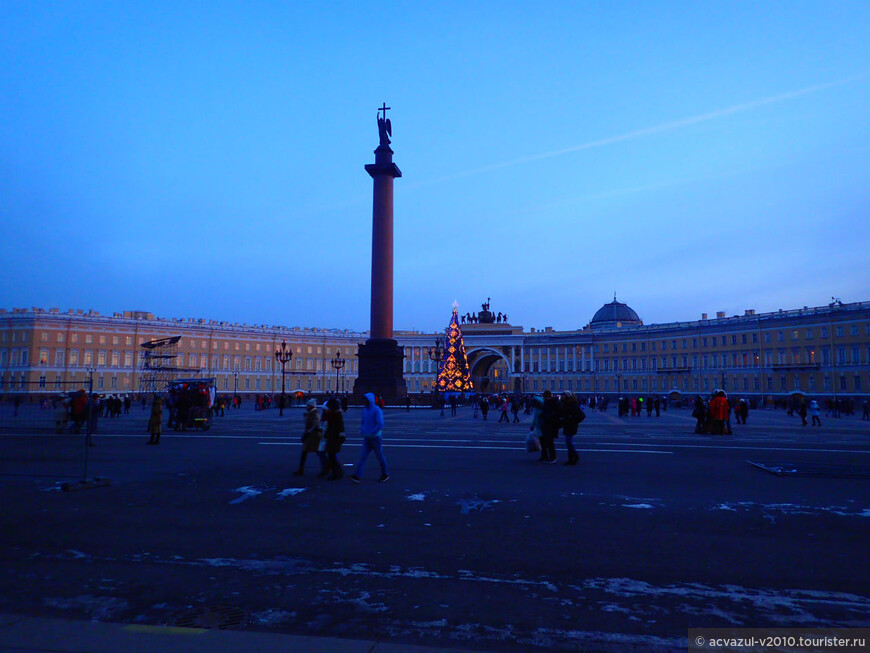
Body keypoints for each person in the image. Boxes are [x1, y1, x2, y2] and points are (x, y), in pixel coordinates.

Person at [349, 393, 389, 482]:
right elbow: (363, 422)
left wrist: (372, 432)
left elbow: (380, 424)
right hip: (367, 437)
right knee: (363, 457)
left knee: (379, 456)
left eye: (365, 400)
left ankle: (385, 474)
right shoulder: (365, 410)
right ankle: (357, 476)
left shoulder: (377, 410)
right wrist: (363, 430)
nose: (364, 402)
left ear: (369, 400)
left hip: (375, 438)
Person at [293, 399, 323, 477]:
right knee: (306, 452)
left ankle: (327, 467)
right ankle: (301, 469)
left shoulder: (315, 413)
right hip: (311, 435)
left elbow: (316, 423)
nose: (307, 407)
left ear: (311, 406)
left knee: (318, 452)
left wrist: (310, 430)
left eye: (308, 406)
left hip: (313, 436)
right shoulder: (312, 413)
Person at [322, 397, 346, 479]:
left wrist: (341, 435)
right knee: (332, 456)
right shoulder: (333, 414)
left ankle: (337, 473)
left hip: (335, 438)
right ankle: (337, 472)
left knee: (332, 456)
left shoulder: (336, 415)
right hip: (332, 437)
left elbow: (341, 427)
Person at [561, 392, 583, 466]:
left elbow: (581, 416)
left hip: (571, 425)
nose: (562, 396)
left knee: (568, 441)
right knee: (568, 442)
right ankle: (571, 458)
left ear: (567, 396)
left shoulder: (573, 404)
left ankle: (574, 456)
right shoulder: (565, 403)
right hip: (567, 425)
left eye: (563, 395)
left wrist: (572, 419)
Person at [540, 390, 562, 463]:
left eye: (544, 396)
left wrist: (547, 416)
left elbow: (557, 413)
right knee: (547, 441)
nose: (544, 398)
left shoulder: (553, 402)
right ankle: (549, 456)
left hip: (551, 424)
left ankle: (553, 457)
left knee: (550, 442)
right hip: (547, 424)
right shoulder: (549, 402)